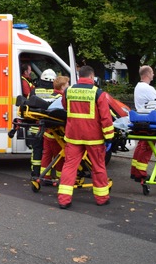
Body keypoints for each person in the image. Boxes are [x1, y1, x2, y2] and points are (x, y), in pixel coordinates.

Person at [57, 65, 114, 209]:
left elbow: (65, 107)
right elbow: (106, 118)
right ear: (91, 76)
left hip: (73, 136)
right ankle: (102, 198)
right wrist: (109, 137)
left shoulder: (68, 91)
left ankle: (64, 200)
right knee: (98, 167)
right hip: (94, 138)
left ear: (79, 76)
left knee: (69, 167)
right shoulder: (98, 93)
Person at [130, 65, 156, 181]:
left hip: (140, 120)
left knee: (140, 146)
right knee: (147, 147)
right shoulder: (148, 88)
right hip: (149, 121)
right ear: (148, 74)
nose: (153, 75)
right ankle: (140, 174)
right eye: (152, 72)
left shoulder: (138, 87)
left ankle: (135, 171)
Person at [41, 75, 70, 179]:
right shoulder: (62, 98)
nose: (69, 86)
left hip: (47, 132)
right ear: (62, 87)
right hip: (56, 133)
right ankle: (60, 178)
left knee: (46, 155)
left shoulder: (50, 95)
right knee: (60, 156)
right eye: (67, 84)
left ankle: (45, 177)